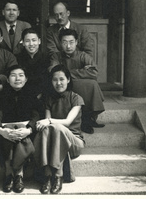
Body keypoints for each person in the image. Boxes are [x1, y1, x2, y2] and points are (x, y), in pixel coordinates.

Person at [33, 64, 85, 194]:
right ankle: (48, 175)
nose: (58, 83)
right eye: (55, 80)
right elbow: (48, 126)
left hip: (74, 142)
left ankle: (57, 175)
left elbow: (67, 122)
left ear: (68, 80)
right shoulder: (49, 99)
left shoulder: (76, 98)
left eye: (62, 79)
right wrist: (48, 122)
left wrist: (49, 121)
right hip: (54, 142)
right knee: (47, 129)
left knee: (56, 127)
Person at [0, 65, 41, 193]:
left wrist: (29, 129)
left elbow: (36, 115)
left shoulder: (31, 94)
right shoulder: (1, 95)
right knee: (9, 135)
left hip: (26, 132)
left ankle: (19, 175)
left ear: (26, 79)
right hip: (6, 132)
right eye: (13, 75)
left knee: (20, 135)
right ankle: (9, 174)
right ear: (8, 80)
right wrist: (0, 130)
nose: (17, 78)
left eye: (21, 75)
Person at [57, 29, 105, 134]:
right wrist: (82, 71)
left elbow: (94, 73)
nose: (68, 46)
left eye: (71, 42)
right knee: (88, 84)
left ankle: (88, 118)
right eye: (65, 42)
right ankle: (84, 120)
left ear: (77, 42)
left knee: (92, 84)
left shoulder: (83, 56)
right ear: (60, 43)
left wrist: (68, 73)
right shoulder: (57, 56)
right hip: (62, 87)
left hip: (77, 86)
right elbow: (54, 73)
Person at [16, 28, 59, 102]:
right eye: (27, 41)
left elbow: (48, 80)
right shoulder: (17, 58)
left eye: (34, 40)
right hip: (23, 96)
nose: (31, 44)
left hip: (44, 95)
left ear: (39, 41)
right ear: (22, 42)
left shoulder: (48, 58)